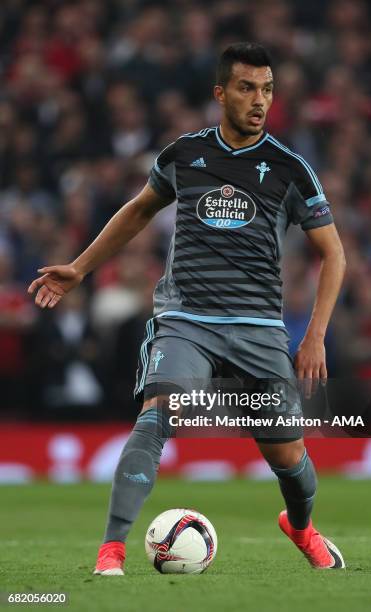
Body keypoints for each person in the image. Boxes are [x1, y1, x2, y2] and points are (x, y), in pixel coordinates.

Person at [28, 43, 346, 574]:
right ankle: (112, 551)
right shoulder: (183, 156)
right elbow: (137, 211)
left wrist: (313, 335)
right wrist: (80, 269)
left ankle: (301, 526)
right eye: (247, 88)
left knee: (289, 459)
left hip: (260, 329)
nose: (259, 100)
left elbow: (334, 254)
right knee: (157, 417)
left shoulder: (290, 170)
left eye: (267, 89)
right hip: (186, 322)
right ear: (221, 92)